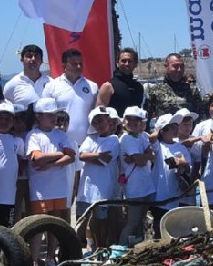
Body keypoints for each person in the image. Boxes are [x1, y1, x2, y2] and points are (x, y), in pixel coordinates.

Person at [80, 106, 123, 248]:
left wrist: (90, 157)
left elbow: (105, 161)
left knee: (102, 219)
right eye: (95, 122)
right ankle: (92, 245)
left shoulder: (114, 140)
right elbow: (81, 155)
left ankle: (101, 246)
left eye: (101, 121)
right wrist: (97, 155)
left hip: (104, 187)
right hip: (89, 186)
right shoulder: (90, 139)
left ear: (108, 120)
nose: (99, 125)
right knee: (91, 219)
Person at [26, 98, 75, 221]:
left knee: (55, 220)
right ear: (38, 116)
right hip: (40, 188)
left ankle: (54, 242)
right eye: (49, 115)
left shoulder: (61, 135)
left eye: (54, 114)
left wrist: (50, 165)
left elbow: (71, 157)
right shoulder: (33, 135)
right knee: (39, 221)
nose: (54, 118)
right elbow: (37, 158)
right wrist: (59, 153)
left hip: (59, 186)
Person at [43, 49, 98, 149]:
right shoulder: (51, 86)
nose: (78, 66)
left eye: (80, 63)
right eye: (74, 64)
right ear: (64, 66)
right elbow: (45, 116)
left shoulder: (92, 87)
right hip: (59, 146)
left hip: (86, 146)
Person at [118, 106, 155, 244]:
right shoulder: (126, 139)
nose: (133, 122)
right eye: (129, 119)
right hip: (134, 187)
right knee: (133, 222)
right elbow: (141, 161)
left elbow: (152, 155)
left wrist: (140, 156)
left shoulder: (141, 136)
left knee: (141, 221)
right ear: (124, 121)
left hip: (144, 185)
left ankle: (136, 247)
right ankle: (120, 249)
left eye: (137, 120)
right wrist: (142, 157)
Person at [152, 114, 192, 236]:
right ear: (163, 131)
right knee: (158, 224)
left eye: (176, 126)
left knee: (173, 225)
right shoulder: (157, 146)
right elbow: (151, 140)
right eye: (171, 127)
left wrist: (183, 163)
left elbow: (189, 169)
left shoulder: (180, 147)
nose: (175, 129)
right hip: (159, 194)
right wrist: (157, 131)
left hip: (175, 192)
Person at [146, 53, 204, 117]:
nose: (179, 70)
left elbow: (201, 115)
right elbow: (147, 117)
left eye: (181, 66)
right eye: (175, 66)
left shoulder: (192, 90)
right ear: (166, 66)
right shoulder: (155, 90)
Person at [97, 48, 146, 115]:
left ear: (135, 64)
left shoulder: (138, 87)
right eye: (123, 61)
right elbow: (100, 114)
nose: (127, 64)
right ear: (117, 63)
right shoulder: (108, 86)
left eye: (130, 61)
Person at [4, 44, 51, 110]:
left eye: (37, 56)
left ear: (41, 61)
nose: (33, 59)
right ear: (22, 59)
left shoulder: (51, 83)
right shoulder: (12, 85)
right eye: (29, 56)